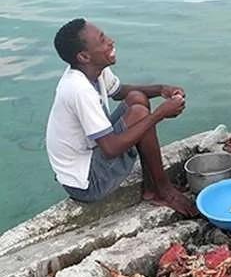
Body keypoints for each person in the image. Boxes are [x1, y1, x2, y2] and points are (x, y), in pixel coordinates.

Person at [46, 18, 198, 216]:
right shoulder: (79, 90)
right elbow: (110, 149)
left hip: (92, 156)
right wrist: (161, 113)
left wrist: (161, 89)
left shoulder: (94, 69)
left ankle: (152, 189)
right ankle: (164, 190)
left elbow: (119, 92)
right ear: (84, 56)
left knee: (136, 98)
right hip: (88, 182)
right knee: (139, 113)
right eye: (102, 40)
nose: (110, 41)